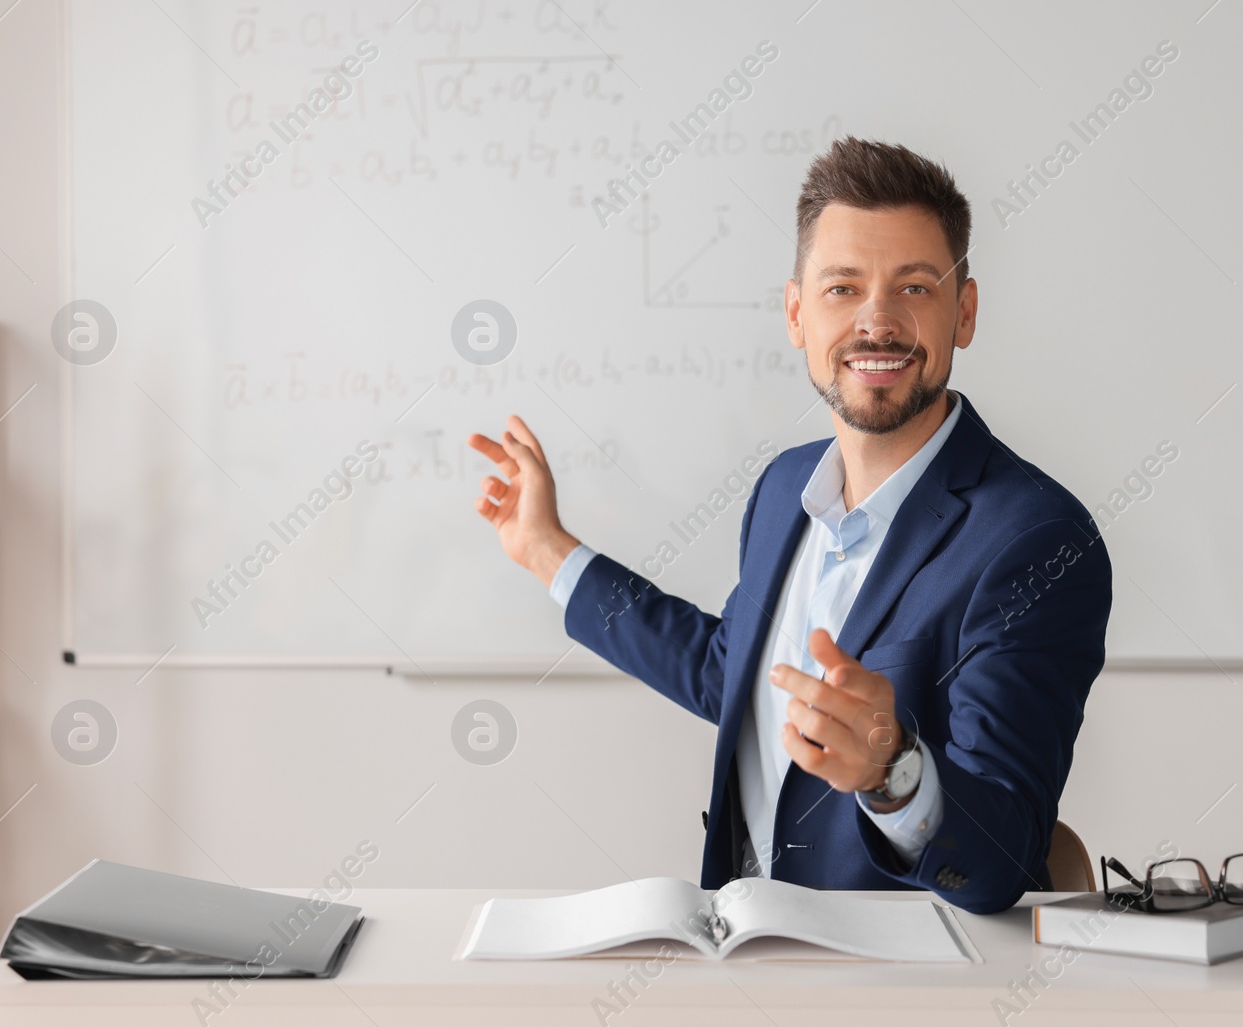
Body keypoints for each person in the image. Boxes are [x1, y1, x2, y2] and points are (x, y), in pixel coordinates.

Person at [468, 137, 1112, 913]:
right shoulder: (783, 488)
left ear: (963, 313)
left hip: (907, 1000)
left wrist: (891, 766)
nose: (878, 321)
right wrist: (546, 550)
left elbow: (1002, 858)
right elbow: (730, 673)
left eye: (913, 286)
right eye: (843, 288)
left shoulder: (1037, 540)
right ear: (797, 313)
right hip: (747, 955)